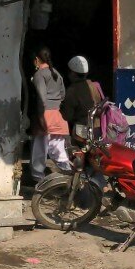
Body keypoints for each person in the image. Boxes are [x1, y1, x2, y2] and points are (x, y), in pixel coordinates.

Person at [30, 47, 70, 184]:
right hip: (58, 116)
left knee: (39, 151)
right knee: (58, 150)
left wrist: (41, 118)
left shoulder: (39, 75)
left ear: (37, 59)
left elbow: (41, 98)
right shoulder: (57, 74)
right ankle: (68, 175)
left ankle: (38, 180)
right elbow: (63, 95)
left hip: (44, 114)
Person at [60, 55, 100, 135]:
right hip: (97, 128)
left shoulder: (72, 90)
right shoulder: (94, 86)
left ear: (72, 73)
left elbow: (67, 116)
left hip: (81, 131)